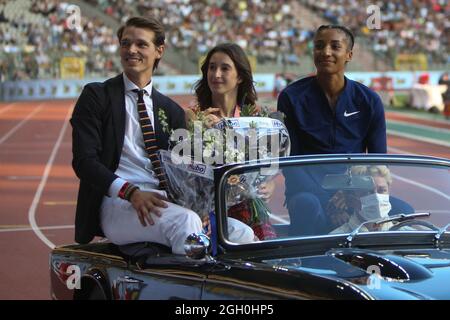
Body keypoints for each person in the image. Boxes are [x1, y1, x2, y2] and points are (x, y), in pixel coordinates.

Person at [70, 16, 203, 255]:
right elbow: (84, 161)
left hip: (163, 200)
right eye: (125, 43)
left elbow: (182, 170)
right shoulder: (96, 96)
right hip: (117, 202)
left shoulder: (170, 110)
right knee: (186, 224)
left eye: (141, 44)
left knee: (237, 232)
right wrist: (130, 192)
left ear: (159, 51)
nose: (131, 50)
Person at [277, 25, 387, 236]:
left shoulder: (369, 101)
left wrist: (351, 197)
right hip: (307, 193)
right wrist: (326, 198)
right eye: (319, 46)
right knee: (307, 205)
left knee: (404, 211)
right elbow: (290, 162)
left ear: (349, 55)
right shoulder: (291, 97)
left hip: (356, 194)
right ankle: (309, 263)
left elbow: (377, 163)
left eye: (335, 46)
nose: (325, 52)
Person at [189, 43, 276, 240]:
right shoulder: (194, 116)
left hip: (248, 206)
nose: (216, 74)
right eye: (211, 67)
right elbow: (184, 171)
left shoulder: (256, 117)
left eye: (224, 68)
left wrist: (270, 185)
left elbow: (266, 167)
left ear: (240, 76)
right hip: (206, 210)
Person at [328, 165, 413, 234]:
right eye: (368, 192)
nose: (376, 197)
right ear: (351, 199)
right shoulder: (336, 239)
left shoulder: (409, 235)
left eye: (382, 190)